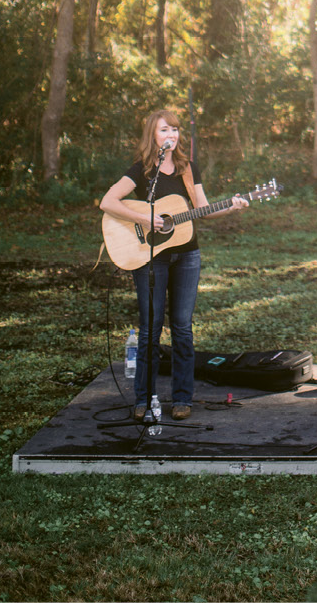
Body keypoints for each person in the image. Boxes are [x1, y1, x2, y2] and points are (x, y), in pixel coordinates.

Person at [99, 107, 248, 421]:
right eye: (165, 130)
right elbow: (108, 202)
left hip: (187, 256)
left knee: (182, 329)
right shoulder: (141, 170)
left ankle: (183, 398)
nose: (172, 135)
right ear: (153, 135)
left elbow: (203, 210)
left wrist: (232, 207)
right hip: (149, 259)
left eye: (175, 130)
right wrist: (145, 218)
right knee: (150, 331)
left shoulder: (187, 168)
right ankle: (144, 399)